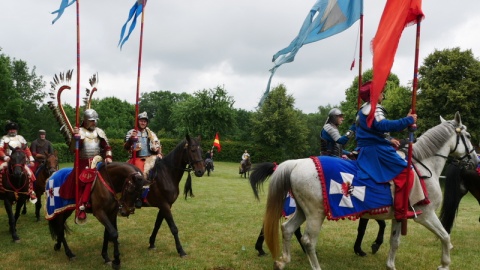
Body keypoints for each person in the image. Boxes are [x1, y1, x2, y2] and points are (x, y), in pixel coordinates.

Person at [356, 81, 422, 221]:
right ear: (374, 95)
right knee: (407, 172)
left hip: (370, 148)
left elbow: (373, 131)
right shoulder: (373, 109)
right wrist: (407, 120)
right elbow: (382, 125)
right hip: (377, 151)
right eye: (380, 92)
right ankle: (400, 210)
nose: (383, 95)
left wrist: (389, 139)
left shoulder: (364, 109)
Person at [59, 109, 112, 223]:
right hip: (83, 163)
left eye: (95, 121)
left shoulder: (99, 132)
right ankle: (82, 205)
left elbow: (107, 147)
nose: (94, 123)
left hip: (98, 161)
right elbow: (73, 149)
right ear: (86, 121)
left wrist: (108, 157)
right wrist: (75, 137)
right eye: (92, 121)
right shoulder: (80, 132)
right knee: (84, 180)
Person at [0, 121, 37, 203]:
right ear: (7, 130)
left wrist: (31, 159)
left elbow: (26, 149)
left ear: (16, 130)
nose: (12, 131)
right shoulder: (3, 138)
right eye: (10, 129)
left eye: (14, 129)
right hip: (6, 160)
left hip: (19, 161)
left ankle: (31, 192)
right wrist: (5, 157)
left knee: (30, 174)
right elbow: (0, 149)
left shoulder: (21, 138)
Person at [124, 111, 162, 176]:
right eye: (141, 121)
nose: (143, 123)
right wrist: (131, 139)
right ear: (138, 122)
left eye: (145, 121)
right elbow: (126, 147)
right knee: (140, 174)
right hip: (137, 158)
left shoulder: (151, 133)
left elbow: (157, 145)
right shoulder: (131, 132)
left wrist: (159, 153)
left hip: (151, 157)